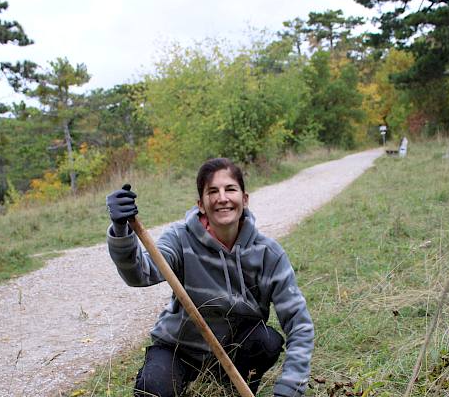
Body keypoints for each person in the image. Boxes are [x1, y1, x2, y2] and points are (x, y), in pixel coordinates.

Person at [106, 158, 314, 397]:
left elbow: (300, 324)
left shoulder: (268, 254)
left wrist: (290, 387)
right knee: (152, 389)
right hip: (178, 350)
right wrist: (121, 230)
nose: (222, 198)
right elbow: (139, 274)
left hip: (234, 352)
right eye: (212, 191)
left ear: (244, 200)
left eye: (230, 189)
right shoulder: (179, 238)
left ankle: (233, 385)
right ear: (201, 204)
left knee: (266, 341)